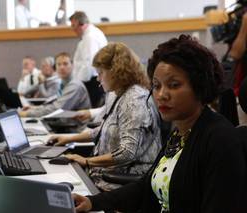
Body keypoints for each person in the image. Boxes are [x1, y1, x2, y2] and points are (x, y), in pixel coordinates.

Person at [73, 35, 247, 213]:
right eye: (156, 86)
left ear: (199, 86)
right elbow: (146, 187)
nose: (161, 95)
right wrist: (93, 202)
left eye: (174, 85)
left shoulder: (220, 140)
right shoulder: (180, 132)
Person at [49, 43, 162, 191]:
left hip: (122, 182)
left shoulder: (134, 101)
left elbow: (127, 152)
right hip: (104, 174)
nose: (98, 78)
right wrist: (69, 138)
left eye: (101, 72)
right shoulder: (117, 94)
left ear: (116, 71)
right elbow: (103, 130)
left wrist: (87, 161)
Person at [19, 52, 91, 117]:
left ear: (72, 65)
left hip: (74, 128)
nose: (62, 67)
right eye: (59, 64)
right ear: (55, 67)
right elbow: (55, 104)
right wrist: (36, 108)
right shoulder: (63, 83)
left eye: (65, 64)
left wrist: (27, 114)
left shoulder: (74, 85)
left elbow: (56, 110)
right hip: (64, 123)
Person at [70, 11, 108, 107]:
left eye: (73, 25)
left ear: (81, 24)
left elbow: (89, 64)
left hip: (91, 82)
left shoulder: (90, 37)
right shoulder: (91, 34)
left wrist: (78, 84)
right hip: (91, 80)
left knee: (90, 112)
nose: (72, 29)